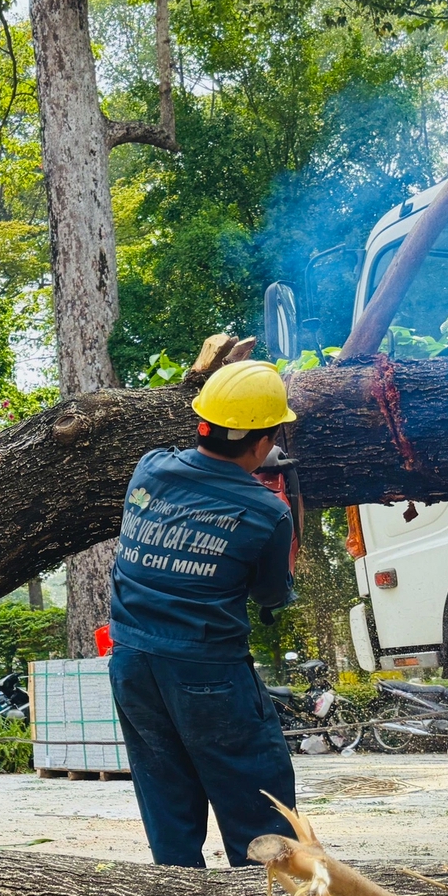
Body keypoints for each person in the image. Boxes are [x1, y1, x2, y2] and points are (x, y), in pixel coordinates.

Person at [107, 360, 300, 869]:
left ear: (203, 423)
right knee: (260, 803)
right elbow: (271, 597)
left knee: (166, 797)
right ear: (263, 443)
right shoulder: (266, 512)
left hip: (131, 663)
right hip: (207, 674)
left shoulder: (148, 468)